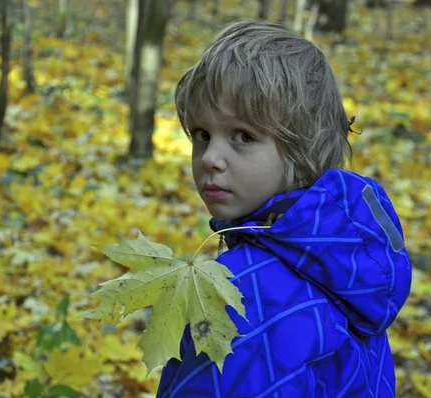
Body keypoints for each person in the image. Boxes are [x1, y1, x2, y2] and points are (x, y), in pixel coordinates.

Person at [156, 19, 411, 398]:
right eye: (201, 134)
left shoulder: (241, 290)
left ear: (300, 150)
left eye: (243, 137)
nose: (210, 157)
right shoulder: (345, 261)